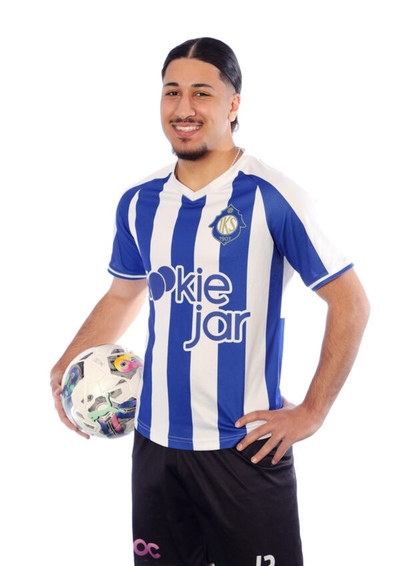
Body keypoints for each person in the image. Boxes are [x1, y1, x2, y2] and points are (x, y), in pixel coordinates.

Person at [51, 37, 370, 566]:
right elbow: (124, 293)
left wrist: (313, 412)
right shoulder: (139, 203)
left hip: (245, 448)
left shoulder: (272, 196)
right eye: (171, 92)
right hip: (155, 446)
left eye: (201, 93)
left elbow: (350, 302)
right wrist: (69, 363)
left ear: (233, 104)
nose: (184, 108)